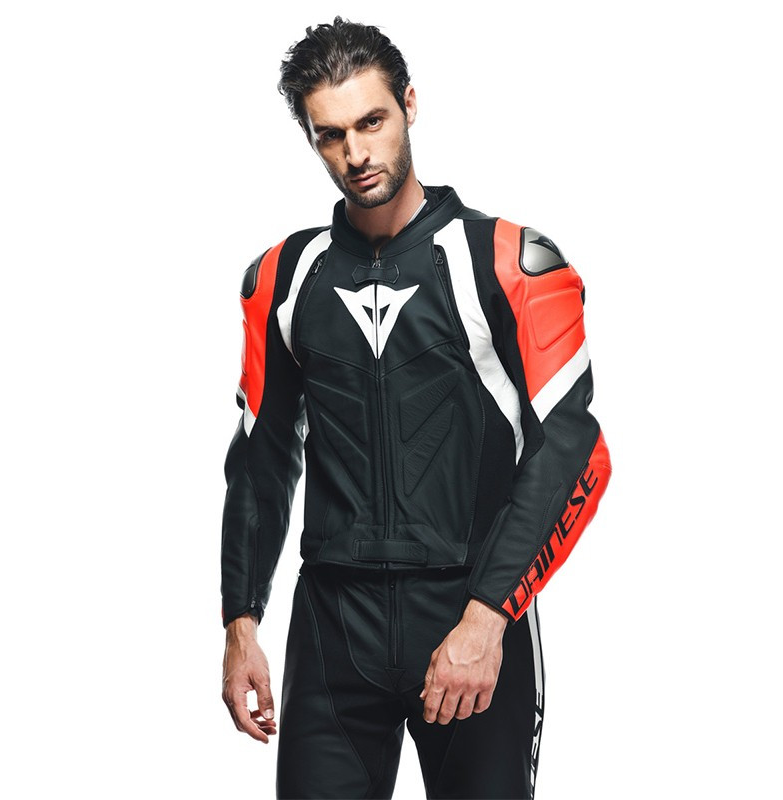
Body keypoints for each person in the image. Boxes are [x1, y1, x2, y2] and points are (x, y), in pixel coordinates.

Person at [220, 17, 611, 800]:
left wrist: (489, 616)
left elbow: (574, 452)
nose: (356, 153)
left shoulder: (507, 262)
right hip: (333, 631)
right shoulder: (284, 278)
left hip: (469, 613)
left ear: (409, 104)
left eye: (372, 121)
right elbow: (262, 457)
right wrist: (240, 619)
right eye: (331, 135)